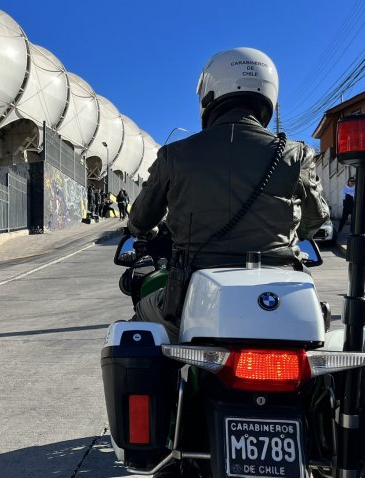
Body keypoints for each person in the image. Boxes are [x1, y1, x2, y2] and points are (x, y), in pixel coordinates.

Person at [127, 47, 330, 340]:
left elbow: (142, 219)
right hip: (283, 297)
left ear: (208, 95)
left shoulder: (175, 155)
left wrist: (142, 230)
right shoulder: (294, 154)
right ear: (268, 96)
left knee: (141, 317)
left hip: (191, 296)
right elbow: (315, 220)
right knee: (316, 338)